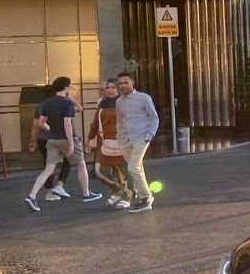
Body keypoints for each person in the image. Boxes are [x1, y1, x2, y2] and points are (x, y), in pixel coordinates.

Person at [25, 77, 102, 211]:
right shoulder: (67, 103)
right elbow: (68, 123)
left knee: (48, 170)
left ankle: (32, 196)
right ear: (66, 88)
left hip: (52, 140)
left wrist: (52, 130)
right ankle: (86, 193)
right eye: (70, 86)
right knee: (80, 164)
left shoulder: (47, 103)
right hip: (66, 138)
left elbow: (40, 123)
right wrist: (71, 143)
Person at [116, 71, 159, 213]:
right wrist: (120, 138)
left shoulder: (143, 98)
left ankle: (146, 197)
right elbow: (120, 121)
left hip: (141, 137)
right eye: (120, 83)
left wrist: (149, 135)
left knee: (133, 168)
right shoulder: (119, 101)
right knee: (137, 169)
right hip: (125, 140)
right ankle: (143, 198)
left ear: (132, 82)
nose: (123, 85)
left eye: (125, 82)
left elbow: (154, 117)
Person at [87, 78, 132, 209]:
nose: (110, 90)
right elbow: (95, 123)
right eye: (108, 87)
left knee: (124, 172)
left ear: (118, 89)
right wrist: (89, 139)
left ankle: (127, 197)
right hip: (105, 144)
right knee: (100, 172)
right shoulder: (102, 105)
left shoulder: (124, 103)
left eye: (113, 87)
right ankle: (117, 190)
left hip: (122, 142)